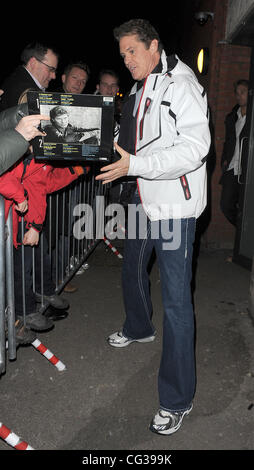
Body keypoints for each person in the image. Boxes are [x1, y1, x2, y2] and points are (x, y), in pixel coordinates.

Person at [96, 19, 210, 435]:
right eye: (122, 53)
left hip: (175, 209)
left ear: (154, 45)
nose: (127, 60)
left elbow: (196, 148)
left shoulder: (182, 83)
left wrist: (137, 165)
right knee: (132, 266)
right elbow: (140, 143)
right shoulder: (144, 86)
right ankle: (139, 328)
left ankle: (177, 399)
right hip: (145, 199)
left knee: (177, 305)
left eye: (132, 51)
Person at [220, 79, 248, 227]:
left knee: (246, 206)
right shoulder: (233, 117)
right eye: (237, 93)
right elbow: (228, 141)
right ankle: (243, 230)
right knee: (225, 205)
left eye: (242, 92)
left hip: (247, 169)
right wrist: (224, 160)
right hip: (232, 168)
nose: (239, 96)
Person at [0, 42, 58, 111]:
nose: (54, 76)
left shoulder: (16, 80)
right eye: (51, 69)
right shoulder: (26, 91)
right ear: (33, 63)